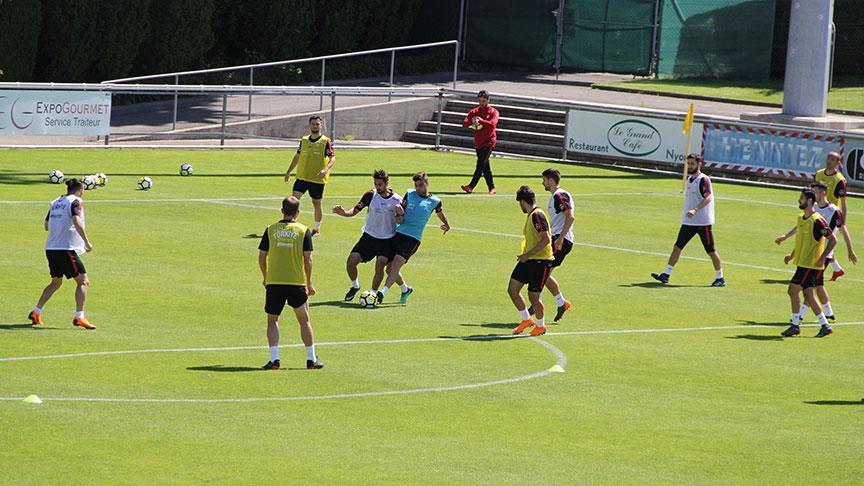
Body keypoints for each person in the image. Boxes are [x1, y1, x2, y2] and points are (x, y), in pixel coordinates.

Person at [775, 182, 857, 324]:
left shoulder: (833, 211)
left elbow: (842, 230)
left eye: (816, 192)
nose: (814, 194)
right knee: (816, 286)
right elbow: (802, 231)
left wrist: (850, 250)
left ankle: (801, 317)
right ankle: (827, 315)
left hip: (821, 256)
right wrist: (787, 239)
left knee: (807, 288)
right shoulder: (811, 211)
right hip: (810, 254)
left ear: (823, 193)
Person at [258, 196, 323, 370]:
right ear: (298, 212)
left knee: (272, 321)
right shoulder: (303, 230)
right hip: (296, 282)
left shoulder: (270, 229)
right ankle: (311, 359)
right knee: (304, 321)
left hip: (274, 282)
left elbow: (262, 257)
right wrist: (309, 283)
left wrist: (266, 276)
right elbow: (308, 259)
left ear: (282, 211)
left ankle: (274, 359)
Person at [332, 169, 410, 302]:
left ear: (386, 183)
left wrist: (400, 214)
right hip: (368, 237)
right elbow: (354, 211)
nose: (377, 187)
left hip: (386, 240)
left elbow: (401, 222)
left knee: (380, 266)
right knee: (351, 261)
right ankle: (355, 286)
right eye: (375, 184)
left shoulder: (398, 200)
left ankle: (372, 295)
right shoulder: (370, 195)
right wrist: (344, 212)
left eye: (379, 184)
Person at [28, 178, 96, 330]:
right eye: (83, 190)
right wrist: (86, 242)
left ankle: (36, 312)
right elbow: (76, 220)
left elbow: (46, 225)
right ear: (79, 190)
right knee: (83, 281)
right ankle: (80, 317)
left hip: (51, 248)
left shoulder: (56, 202)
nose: (83, 192)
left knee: (56, 282)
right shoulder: (76, 201)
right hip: (66, 248)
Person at [651, 153, 725, 287]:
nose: (690, 166)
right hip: (689, 222)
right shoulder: (689, 179)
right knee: (677, 247)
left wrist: (695, 210)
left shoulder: (704, 179)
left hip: (703, 223)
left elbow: (708, 197)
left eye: (692, 163)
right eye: (688, 163)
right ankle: (666, 274)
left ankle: (720, 278)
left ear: (699, 164)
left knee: (711, 251)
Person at [376, 172, 450, 304]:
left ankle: (382, 292)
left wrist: (447, 224)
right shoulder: (409, 194)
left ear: (427, 184)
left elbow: (440, 213)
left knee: (396, 264)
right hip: (398, 234)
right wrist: (398, 214)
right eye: (416, 185)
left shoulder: (435, 201)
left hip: (413, 238)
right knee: (389, 268)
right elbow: (399, 219)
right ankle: (405, 289)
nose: (418, 188)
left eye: (420, 185)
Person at [778, 188, 837, 338]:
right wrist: (791, 256)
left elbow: (833, 239)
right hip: (803, 263)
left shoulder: (817, 221)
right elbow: (801, 241)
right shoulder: (801, 218)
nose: (799, 200)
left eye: (802, 198)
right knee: (809, 295)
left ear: (809, 201)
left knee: (792, 290)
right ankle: (825, 325)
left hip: (811, 265)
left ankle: (795, 325)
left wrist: (823, 257)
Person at [527, 168, 573, 322]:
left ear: (551, 181)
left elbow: (570, 217)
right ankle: (561, 303)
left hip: (560, 240)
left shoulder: (559, 195)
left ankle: (536, 305)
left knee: (541, 271)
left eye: (544, 180)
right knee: (544, 274)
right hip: (559, 239)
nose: (543, 183)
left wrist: (560, 238)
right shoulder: (556, 196)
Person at [510, 186, 554, 337]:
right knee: (512, 289)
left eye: (520, 203)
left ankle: (541, 326)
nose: (520, 206)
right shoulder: (531, 216)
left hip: (540, 261)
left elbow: (546, 239)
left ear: (523, 201)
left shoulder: (537, 215)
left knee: (533, 296)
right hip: (528, 260)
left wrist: (527, 255)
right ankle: (526, 319)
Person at [284, 115, 335, 236]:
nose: (315, 126)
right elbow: (297, 156)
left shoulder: (325, 141)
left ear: (321, 125)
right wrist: (288, 171)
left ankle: (316, 228)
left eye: (317, 124)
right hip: (302, 177)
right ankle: (291, 223)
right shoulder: (304, 140)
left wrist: (325, 169)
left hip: (317, 179)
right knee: (294, 200)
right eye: (313, 124)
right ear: (309, 125)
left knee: (316, 203)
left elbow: (333, 158)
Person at [814, 151, 849, 280]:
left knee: (826, 242)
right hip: (817, 212)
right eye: (829, 158)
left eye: (833, 159)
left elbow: (844, 202)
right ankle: (837, 270)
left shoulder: (840, 180)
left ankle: (817, 274)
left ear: (838, 163)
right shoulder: (818, 174)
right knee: (821, 242)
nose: (829, 161)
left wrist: (842, 222)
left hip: (831, 216)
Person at [460, 90, 499, 195]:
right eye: (480, 101)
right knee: (485, 166)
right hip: (478, 142)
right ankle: (492, 187)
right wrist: (471, 121)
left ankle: (471, 186)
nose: (481, 103)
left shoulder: (493, 112)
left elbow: (492, 124)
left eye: (483, 101)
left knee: (480, 164)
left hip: (489, 142)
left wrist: (481, 121)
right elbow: (464, 123)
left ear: (488, 100)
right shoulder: (474, 111)